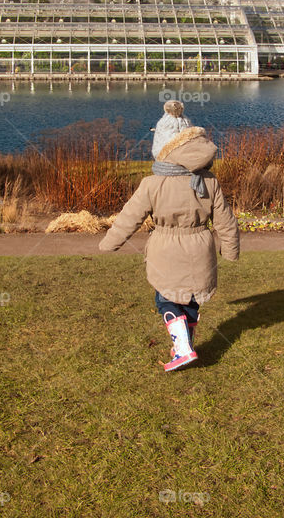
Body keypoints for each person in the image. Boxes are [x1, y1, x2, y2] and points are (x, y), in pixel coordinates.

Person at [99, 100, 240, 371]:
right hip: (201, 248)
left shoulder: (152, 184)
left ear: (161, 148)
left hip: (166, 249)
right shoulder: (208, 181)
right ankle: (183, 346)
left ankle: (183, 349)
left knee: (165, 298)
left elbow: (130, 216)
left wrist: (110, 242)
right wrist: (230, 250)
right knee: (191, 299)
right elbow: (225, 220)